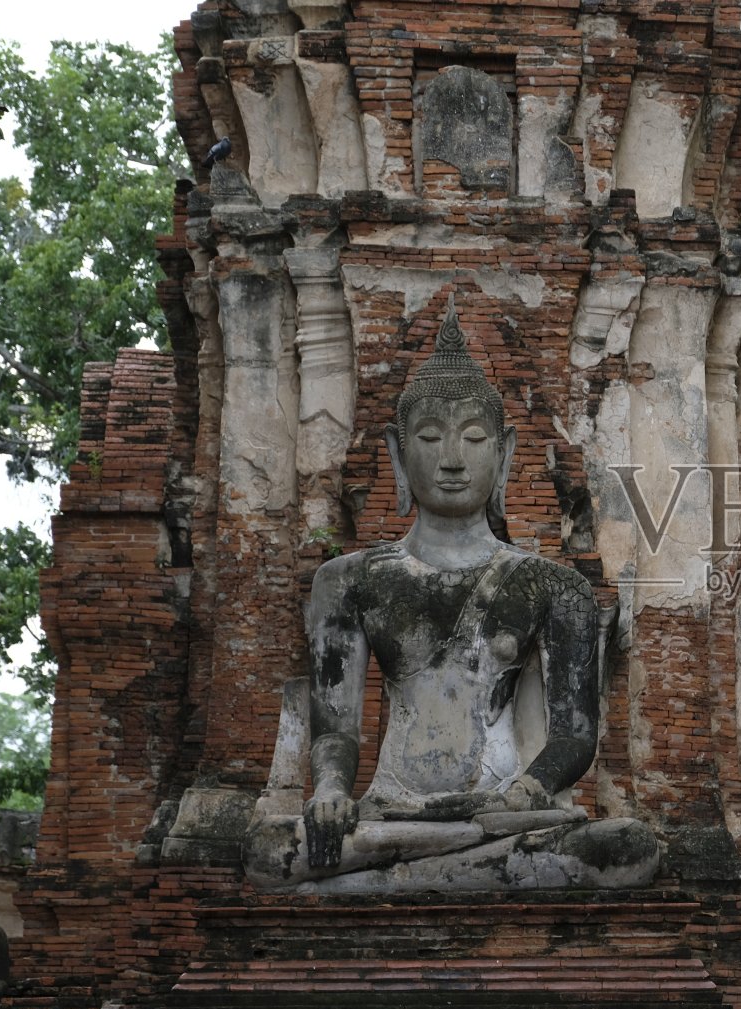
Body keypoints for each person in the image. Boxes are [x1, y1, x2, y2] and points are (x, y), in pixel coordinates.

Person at [243, 300, 658, 892]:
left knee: (624, 849)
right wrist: (333, 792)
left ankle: (395, 879)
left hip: (503, 813)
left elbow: (574, 737)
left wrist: (526, 794)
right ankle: (439, 868)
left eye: (473, 437)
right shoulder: (348, 580)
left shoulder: (556, 587)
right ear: (395, 451)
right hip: (390, 811)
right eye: (431, 437)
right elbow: (336, 729)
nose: (453, 460)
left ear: (505, 452)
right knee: (268, 852)